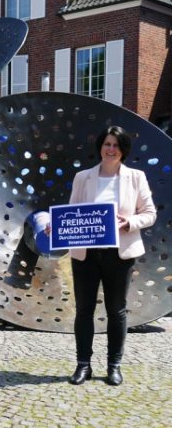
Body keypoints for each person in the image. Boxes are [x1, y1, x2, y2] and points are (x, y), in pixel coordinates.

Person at [66, 125, 156, 386]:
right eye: (107, 144)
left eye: (116, 145)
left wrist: (128, 222)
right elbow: (71, 213)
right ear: (100, 147)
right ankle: (83, 365)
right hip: (86, 254)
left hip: (120, 254)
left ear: (123, 150)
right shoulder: (83, 177)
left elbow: (149, 213)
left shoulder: (136, 177)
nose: (111, 149)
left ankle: (114, 366)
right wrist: (56, 226)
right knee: (84, 310)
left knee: (116, 311)